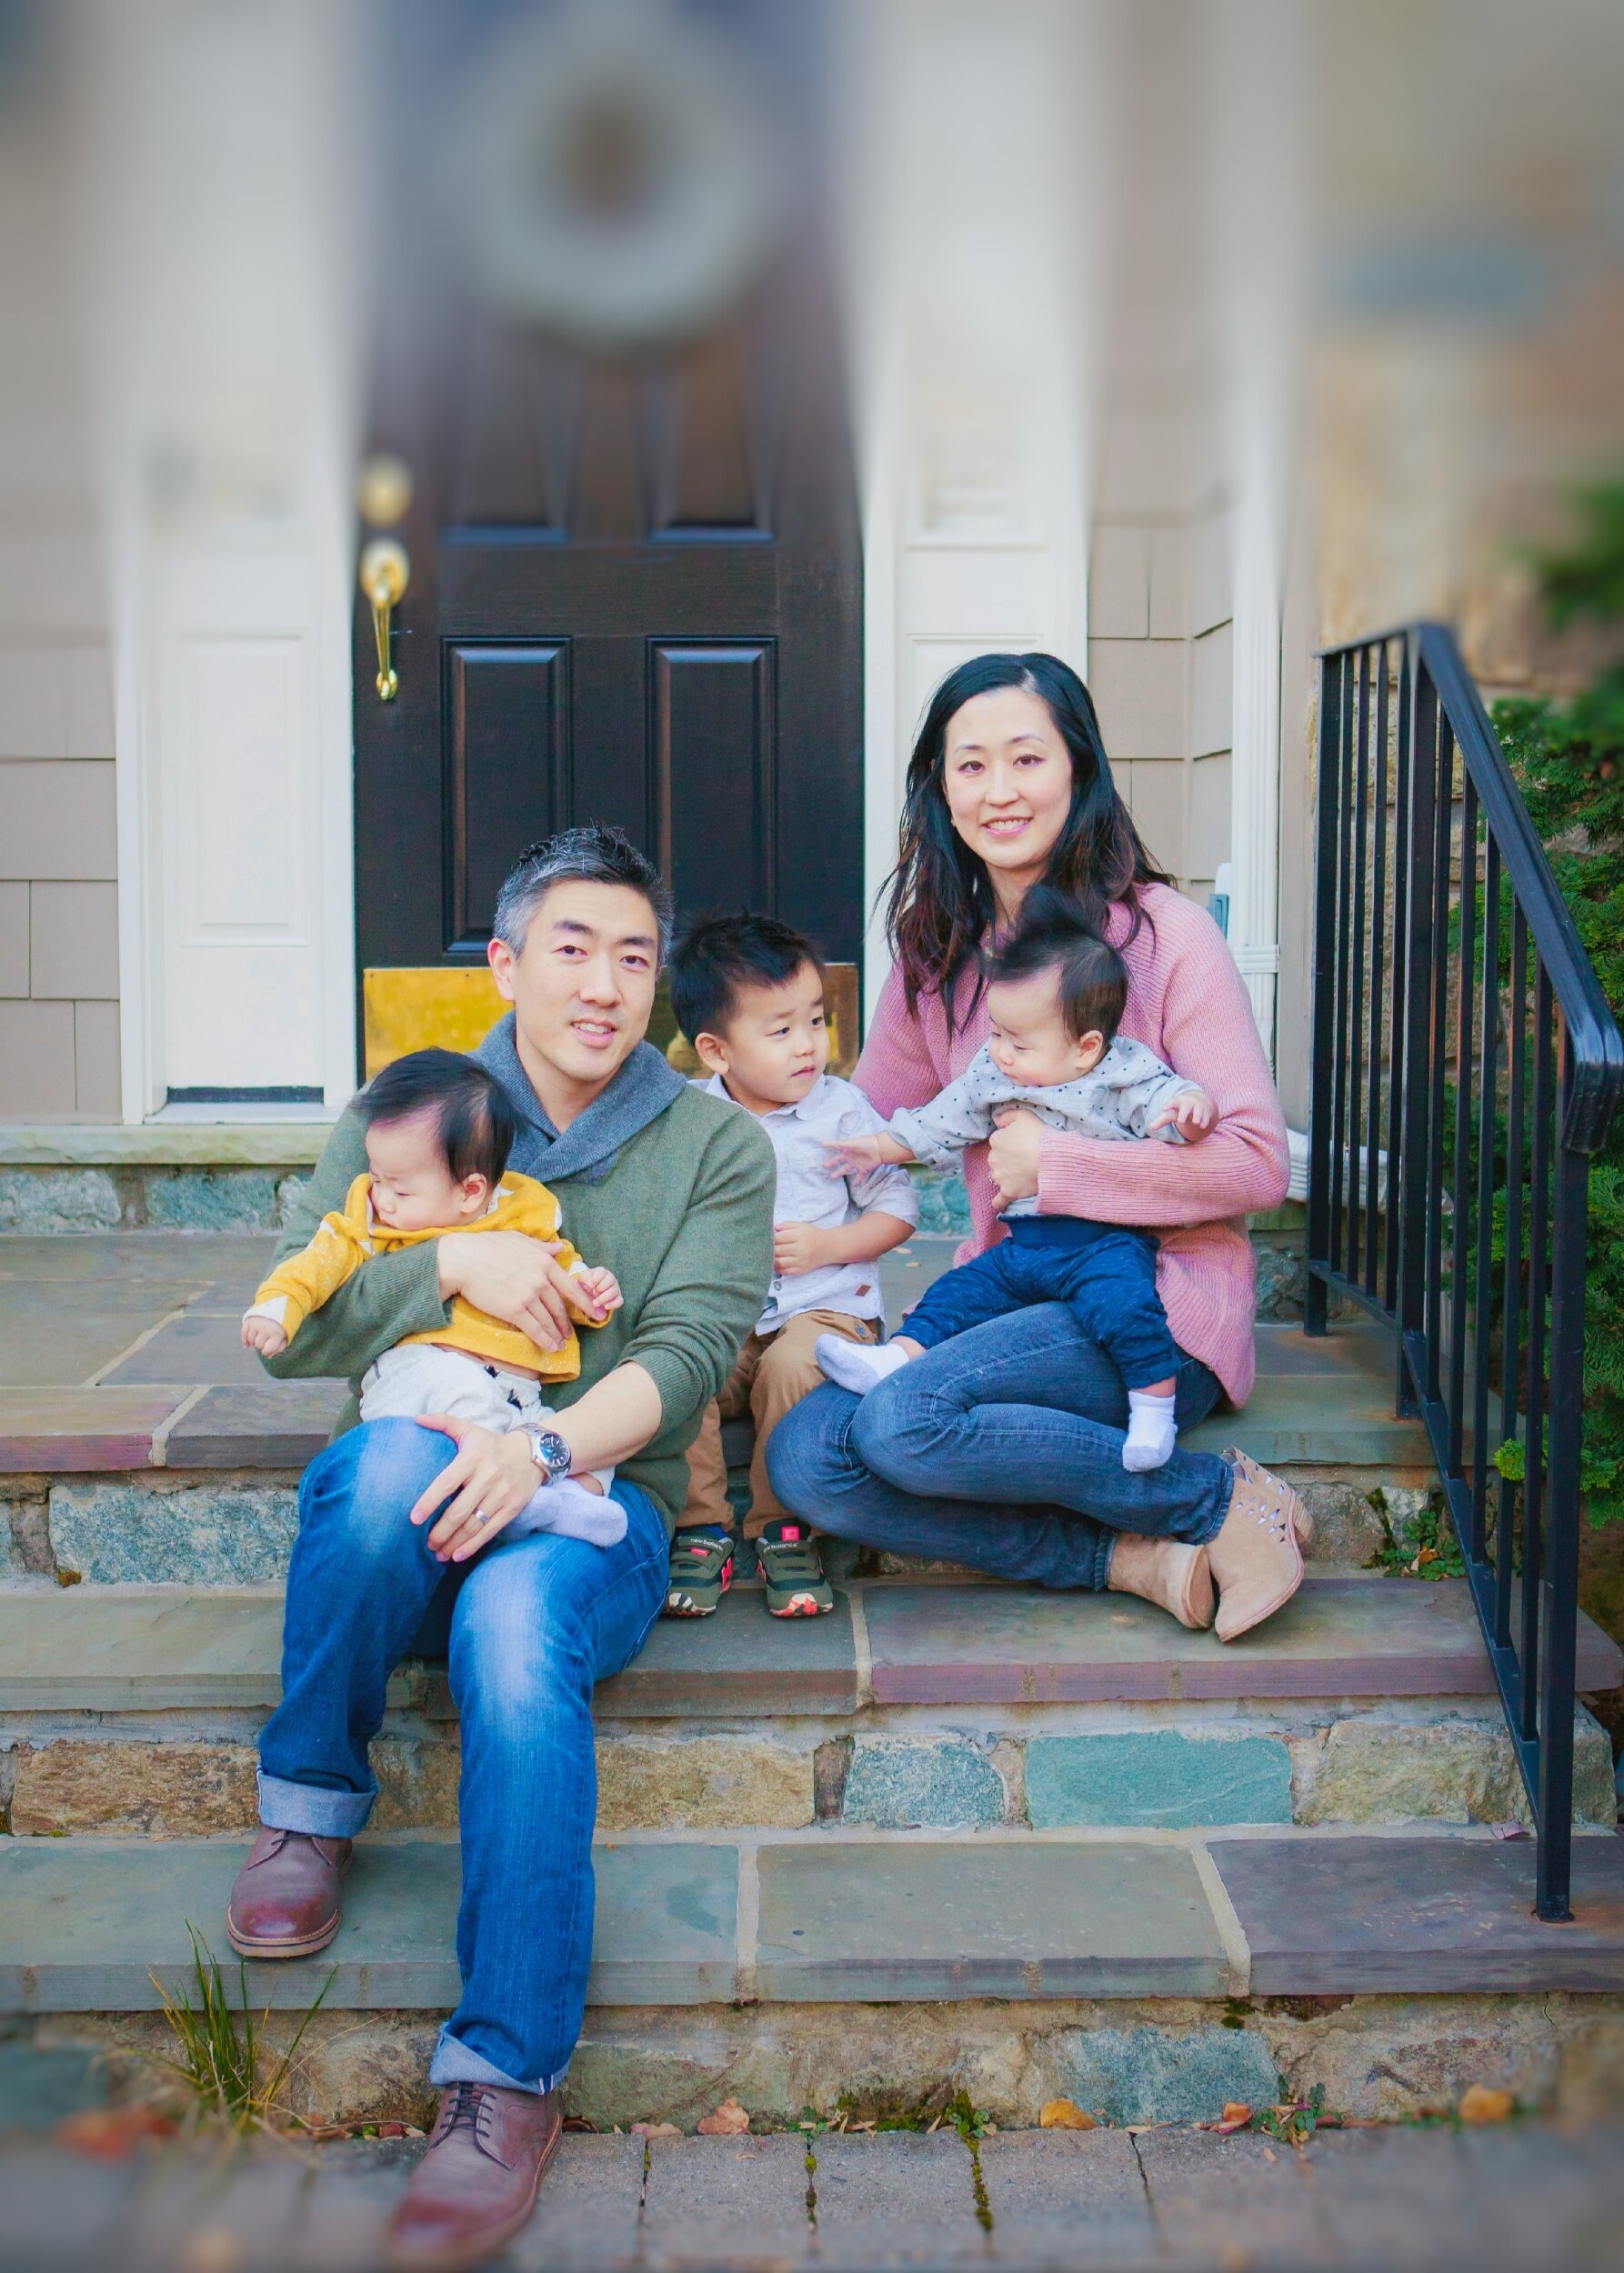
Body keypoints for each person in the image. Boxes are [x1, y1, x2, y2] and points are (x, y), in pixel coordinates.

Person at [225, 826, 774, 2271]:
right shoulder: (403, 1114)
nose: (603, 986)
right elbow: (300, 1330)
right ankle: (309, 1804)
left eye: (634, 958)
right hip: (408, 1509)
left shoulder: (713, 1143)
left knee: (517, 1632)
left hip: (593, 1508)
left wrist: (542, 1449)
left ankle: (503, 2077)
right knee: (380, 1468)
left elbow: (689, 1351)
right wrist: (447, 1263)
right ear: (505, 964)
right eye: (571, 950)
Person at [767, 650, 1308, 1647]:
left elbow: (1256, 1162)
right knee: (808, 1458)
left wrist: (1060, 1170)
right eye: (970, 765)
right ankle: (1130, 1559)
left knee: (901, 1423)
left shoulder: (1167, 939)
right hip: (1014, 1291)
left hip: (1156, 1305)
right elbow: (858, 1119)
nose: (999, 790)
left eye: (1027, 758)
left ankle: (1215, 1499)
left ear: (1079, 769)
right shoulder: (938, 954)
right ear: (940, 788)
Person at [816, 896, 1215, 1473]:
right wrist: (878, 1146)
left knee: (1128, 1309)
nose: (999, 1053)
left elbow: (1171, 1107)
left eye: (1018, 1043)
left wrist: (1192, 1109)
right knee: (957, 1293)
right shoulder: (993, 1072)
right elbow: (942, 1119)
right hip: (1024, 1244)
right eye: (996, 1033)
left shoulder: (1125, 1071)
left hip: (1102, 1243)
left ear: (1086, 1048)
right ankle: (895, 1357)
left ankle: (1153, 1414)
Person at [240, 1046, 625, 1543]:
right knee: (467, 1404)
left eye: (399, 1190)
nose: (381, 1198)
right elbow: (314, 1264)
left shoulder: (522, 1208)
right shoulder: (371, 1220)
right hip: (421, 1375)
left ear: (470, 1192)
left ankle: (558, 1502)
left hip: (514, 1390)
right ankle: (521, 1510)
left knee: (578, 1446)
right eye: (376, 1178)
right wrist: (277, 1310)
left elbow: (556, 1266)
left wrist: (590, 1291)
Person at [664, 912, 917, 1616]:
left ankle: (783, 1526)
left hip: (825, 1307)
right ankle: (700, 1526)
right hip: (733, 1316)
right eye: (780, 1031)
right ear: (716, 1051)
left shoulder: (842, 1113)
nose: (808, 1045)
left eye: (815, 1020)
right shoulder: (693, 1124)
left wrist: (830, 1245)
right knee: (681, 1368)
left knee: (794, 1367)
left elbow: (899, 1208)